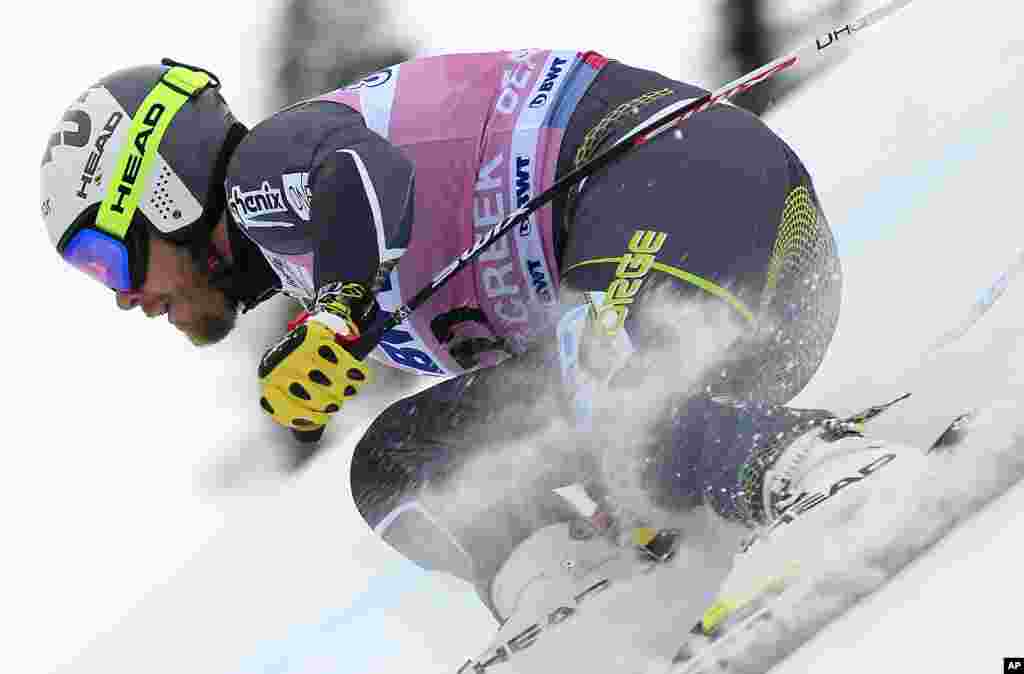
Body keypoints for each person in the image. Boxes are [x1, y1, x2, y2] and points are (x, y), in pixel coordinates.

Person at [41, 51, 863, 625]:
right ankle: (570, 594)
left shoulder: (268, 169)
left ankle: (834, 472)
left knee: (606, 394)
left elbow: (361, 174)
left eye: (104, 254)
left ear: (167, 193)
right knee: (396, 459)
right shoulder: (302, 250)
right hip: (747, 311)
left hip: (691, 188)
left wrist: (336, 311)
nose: (122, 299)